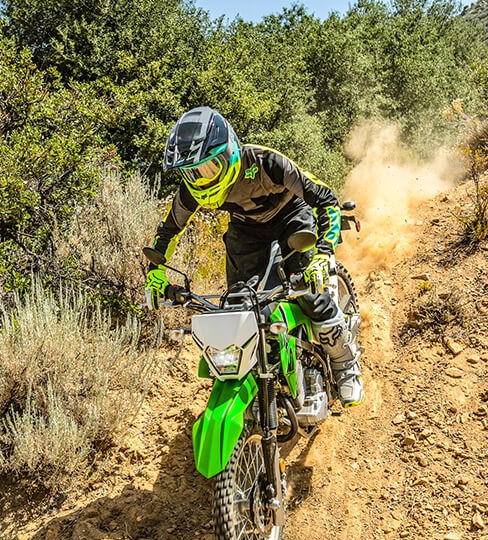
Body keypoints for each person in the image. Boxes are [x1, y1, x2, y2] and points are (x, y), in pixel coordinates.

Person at [144, 106, 363, 407]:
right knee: (238, 304)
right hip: (246, 230)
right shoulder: (191, 191)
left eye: (209, 168)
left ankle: (345, 365)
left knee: (308, 292)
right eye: (192, 172)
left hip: (291, 218)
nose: (201, 179)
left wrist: (323, 254)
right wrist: (155, 272)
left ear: (229, 152)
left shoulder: (267, 163)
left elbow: (325, 198)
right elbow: (168, 230)